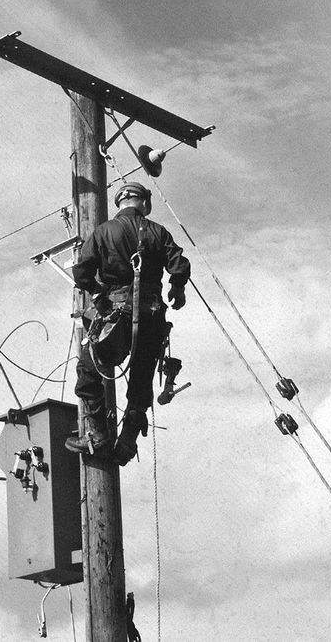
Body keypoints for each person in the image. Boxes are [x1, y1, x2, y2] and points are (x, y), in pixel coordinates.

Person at [66, 181, 190, 465]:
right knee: (141, 381)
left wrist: (98, 293)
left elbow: (82, 273)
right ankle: (126, 442)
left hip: (116, 317)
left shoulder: (104, 231)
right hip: (151, 318)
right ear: (144, 203)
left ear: (120, 203)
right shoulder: (158, 232)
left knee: (88, 371)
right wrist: (177, 288)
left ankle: (97, 435)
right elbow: (179, 264)